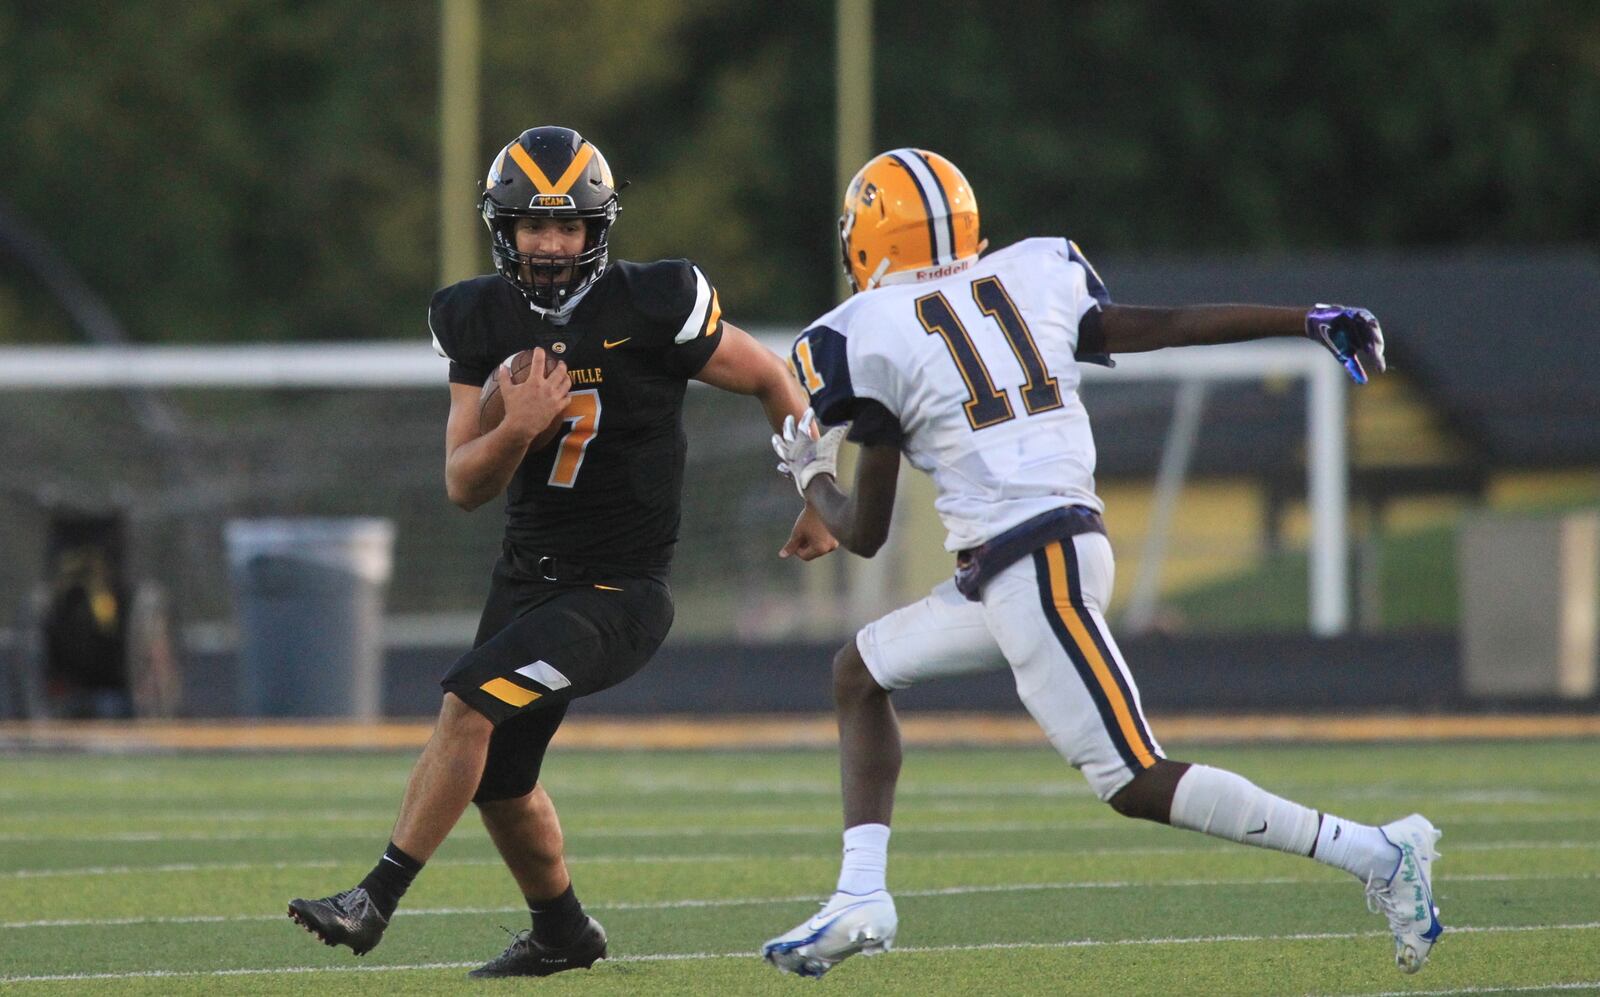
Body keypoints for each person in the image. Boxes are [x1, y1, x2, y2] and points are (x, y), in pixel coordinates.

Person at [761, 148, 1441, 978]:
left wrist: (808, 477)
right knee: (859, 672)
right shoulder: (1033, 274)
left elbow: (861, 528)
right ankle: (861, 893)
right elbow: (1170, 325)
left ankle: (1380, 852)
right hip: (1022, 559)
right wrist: (1305, 317)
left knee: (1133, 778)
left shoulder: (865, 334)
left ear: (864, 240)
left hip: (1033, 560)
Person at [287, 125, 836, 978]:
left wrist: (816, 489)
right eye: (532, 226)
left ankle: (374, 899)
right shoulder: (476, 317)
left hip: (620, 591)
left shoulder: (657, 303)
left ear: (597, 229)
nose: (549, 244)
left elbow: (770, 377)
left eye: (567, 226)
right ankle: (563, 931)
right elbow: (465, 483)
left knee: (468, 703)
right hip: (526, 578)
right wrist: (521, 425)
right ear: (502, 228)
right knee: (501, 779)